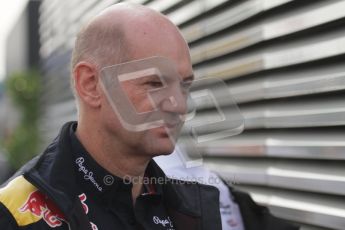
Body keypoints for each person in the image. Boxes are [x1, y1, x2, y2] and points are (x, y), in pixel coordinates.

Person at [0, 3, 221, 230]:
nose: (180, 105)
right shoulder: (16, 216)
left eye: (184, 86)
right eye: (155, 83)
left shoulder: (194, 209)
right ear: (90, 85)